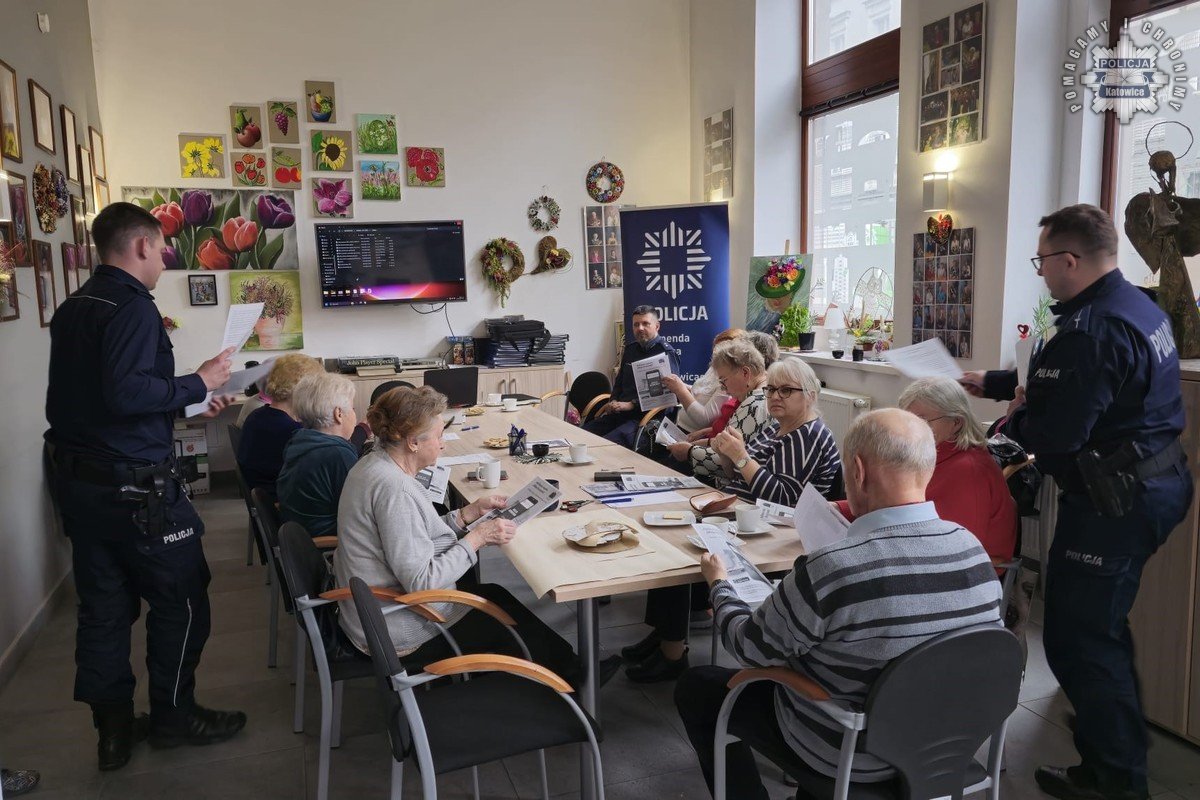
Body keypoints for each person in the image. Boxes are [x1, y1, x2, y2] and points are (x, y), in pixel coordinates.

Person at [959, 204, 1191, 800]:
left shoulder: (1092, 329)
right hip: (1155, 481)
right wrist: (989, 382)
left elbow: (1056, 433)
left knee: (1078, 636)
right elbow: (1081, 386)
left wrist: (1013, 417)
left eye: (1042, 261)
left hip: (1116, 501)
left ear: (1070, 259)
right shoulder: (1139, 306)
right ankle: (1109, 744)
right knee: (1100, 629)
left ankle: (1116, 780)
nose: (1040, 273)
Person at [673, 409, 1003, 798]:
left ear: (858, 472)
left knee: (700, 687)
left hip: (850, 752)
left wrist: (720, 585)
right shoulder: (972, 550)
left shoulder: (836, 566)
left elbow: (750, 649)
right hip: (946, 749)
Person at [44, 202, 246, 772]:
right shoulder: (133, 308)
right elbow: (127, 395)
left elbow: (98, 405)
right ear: (139, 246)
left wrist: (192, 401)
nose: (164, 259)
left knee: (104, 608)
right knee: (181, 599)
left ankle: (112, 735)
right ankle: (174, 719)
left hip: (81, 488)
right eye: (161, 248)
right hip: (137, 494)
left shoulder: (74, 307)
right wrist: (198, 381)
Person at [332, 386, 619, 684]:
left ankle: (570, 666)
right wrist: (477, 538)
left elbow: (412, 532)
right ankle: (573, 681)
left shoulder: (375, 463)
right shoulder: (395, 489)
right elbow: (422, 582)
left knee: (495, 595)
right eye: (439, 436)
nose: (443, 444)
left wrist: (465, 515)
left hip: (373, 611)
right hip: (396, 627)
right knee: (507, 625)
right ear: (413, 442)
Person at [833, 377, 1016, 562]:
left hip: (959, 570)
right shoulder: (926, 454)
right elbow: (893, 500)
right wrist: (839, 509)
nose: (911, 428)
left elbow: (952, 547)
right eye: (907, 419)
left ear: (956, 422)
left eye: (921, 420)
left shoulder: (970, 469)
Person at [710, 358, 841, 504]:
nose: (775, 396)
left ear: (810, 396)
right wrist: (726, 455)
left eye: (786, 390)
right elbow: (739, 477)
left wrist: (740, 456)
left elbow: (781, 498)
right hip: (740, 510)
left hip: (769, 522)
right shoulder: (776, 427)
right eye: (771, 389)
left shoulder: (809, 435)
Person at [665, 340, 769, 486]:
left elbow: (730, 462)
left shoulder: (754, 404)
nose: (724, 389)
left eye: (723, 381)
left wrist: (689, 452)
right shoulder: (762, 392)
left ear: (745, 373)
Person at [276, 372, 360, 539]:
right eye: (352, 408)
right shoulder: (336, 454)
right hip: (328, 545)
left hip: (301, 537)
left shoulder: (299, 440)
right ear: (339, 414)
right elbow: (360, 513)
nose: (354, 414)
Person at [584, 305, 680, 448]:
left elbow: (668, 395)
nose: (640, 328)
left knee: (605, 446)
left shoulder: (666, 353)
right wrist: (613, 401)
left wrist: (631, 404)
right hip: (620, 414)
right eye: (636, 324)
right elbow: (619, 382)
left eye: (645, 324)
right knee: (582, 434)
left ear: (657, 326)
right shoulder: (630, 350)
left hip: (647, 418)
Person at [236, 353, 322, 494]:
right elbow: (332, 459)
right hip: (285, 502)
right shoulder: (293, 431)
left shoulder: (256, 416)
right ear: (301, 389)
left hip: (268, 499)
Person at [664, 328, 742, 433]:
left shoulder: (729, 380)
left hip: (695, 436)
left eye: (722, 350)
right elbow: (703, 392)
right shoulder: (715, 367)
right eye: (715, 349)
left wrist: (680, 390)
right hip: (679, 427)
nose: (716, 354)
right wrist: (681, 385)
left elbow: (705, 420)